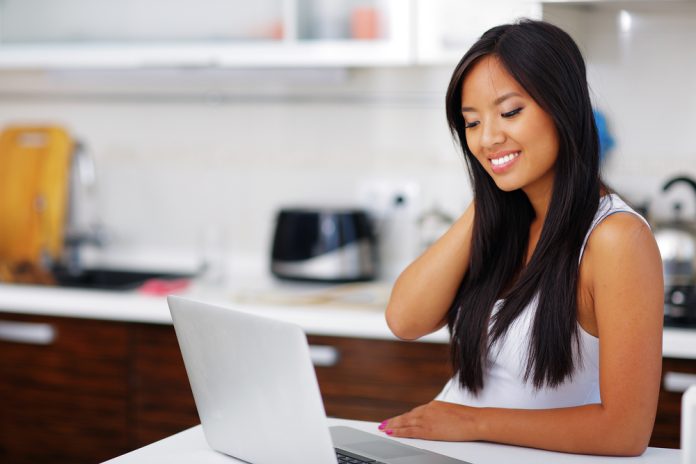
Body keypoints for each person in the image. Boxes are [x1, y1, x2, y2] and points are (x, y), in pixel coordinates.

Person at [379, 19, 663, 457]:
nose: (489, 138)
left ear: (562, 108)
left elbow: (625, 432)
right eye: (471, 123)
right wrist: (488, 195)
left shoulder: (615, 239)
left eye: (510, 112)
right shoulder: (506, 220)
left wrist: (470, 421)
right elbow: (405, 320)